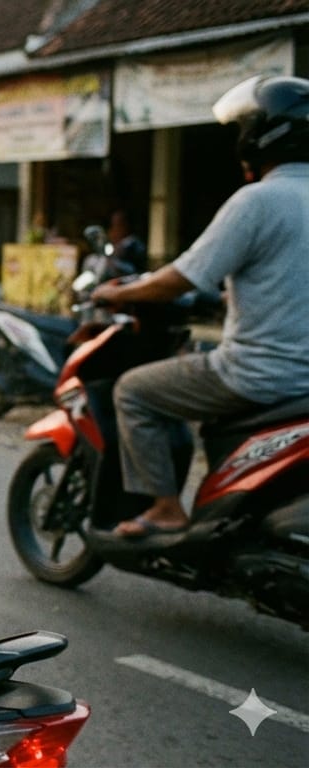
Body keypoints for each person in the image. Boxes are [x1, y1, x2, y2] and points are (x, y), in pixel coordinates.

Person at [91, 74, 309, 538]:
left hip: (258, 374)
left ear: (259, 136)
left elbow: (181, 279)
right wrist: (231, 298)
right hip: (302, 382)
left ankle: (165, 507)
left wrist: (115, 294)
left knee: (133, 390)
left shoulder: (258, 201)